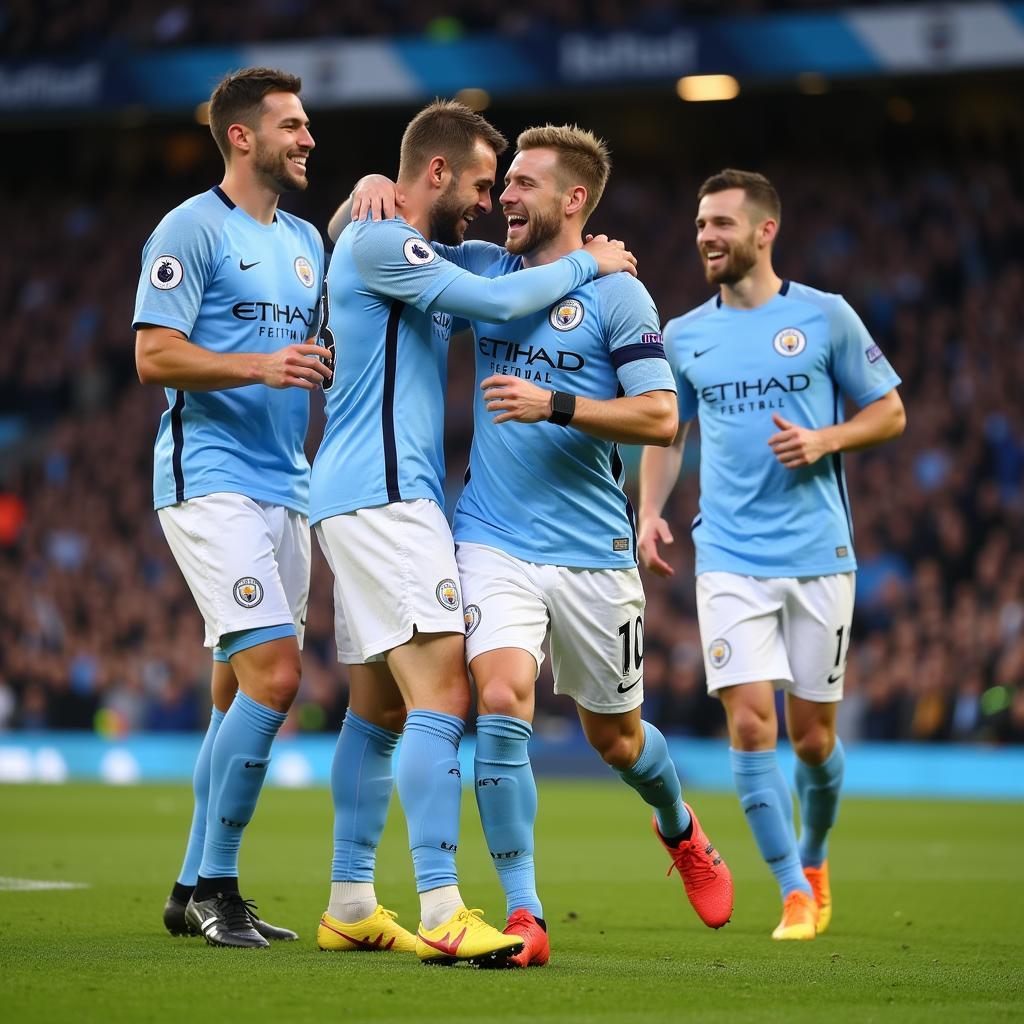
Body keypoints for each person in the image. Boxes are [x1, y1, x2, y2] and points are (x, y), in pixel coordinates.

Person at [345, 125, 735, 970]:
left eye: (522, 184)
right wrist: (374, 182)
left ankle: (680, 827)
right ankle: (525, 912)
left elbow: (661, 418)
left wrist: (555, 404)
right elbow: (379, 252)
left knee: (618, 740)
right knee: (502, 697)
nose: (503, 198)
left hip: (592, 551)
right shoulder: (483, 271)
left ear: (574, 201)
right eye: (502, 184)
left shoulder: (620, 296)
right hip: (490, 537)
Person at [311, 100, 638, 965]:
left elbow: (432, 264)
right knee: (444, 699)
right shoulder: (388, 245)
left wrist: (362, 191)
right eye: (485, 183)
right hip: (389, 501)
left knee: (377, 709)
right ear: (437, 172)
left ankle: (349, 898)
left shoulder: (398, 245)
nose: (490, 202)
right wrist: (590, 265)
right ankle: (444, 906)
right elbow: (499, 294)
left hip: (360, 497)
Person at [638, 169, 906, 940]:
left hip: (820, 555)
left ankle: (815, 857)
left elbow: (889, 411)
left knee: (813, 737)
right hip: (727, 557)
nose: (706, 237)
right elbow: (668, 430)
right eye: (699, 224)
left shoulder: (826, 317)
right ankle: (791, 891)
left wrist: (828, 438)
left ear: (764, 231)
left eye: (721, 223)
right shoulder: (685, 334)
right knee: (752, 726)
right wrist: (652, 511)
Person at [133, 67, 329, 949]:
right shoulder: (189, 228)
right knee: (277, 679)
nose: (309, 138)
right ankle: (221, 885)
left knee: (232, 696)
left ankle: (187, 887)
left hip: (288, 485)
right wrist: (259, 365)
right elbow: (153, 356)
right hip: (208, 480)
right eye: (292, 124)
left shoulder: (306, 243)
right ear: (243, 137)